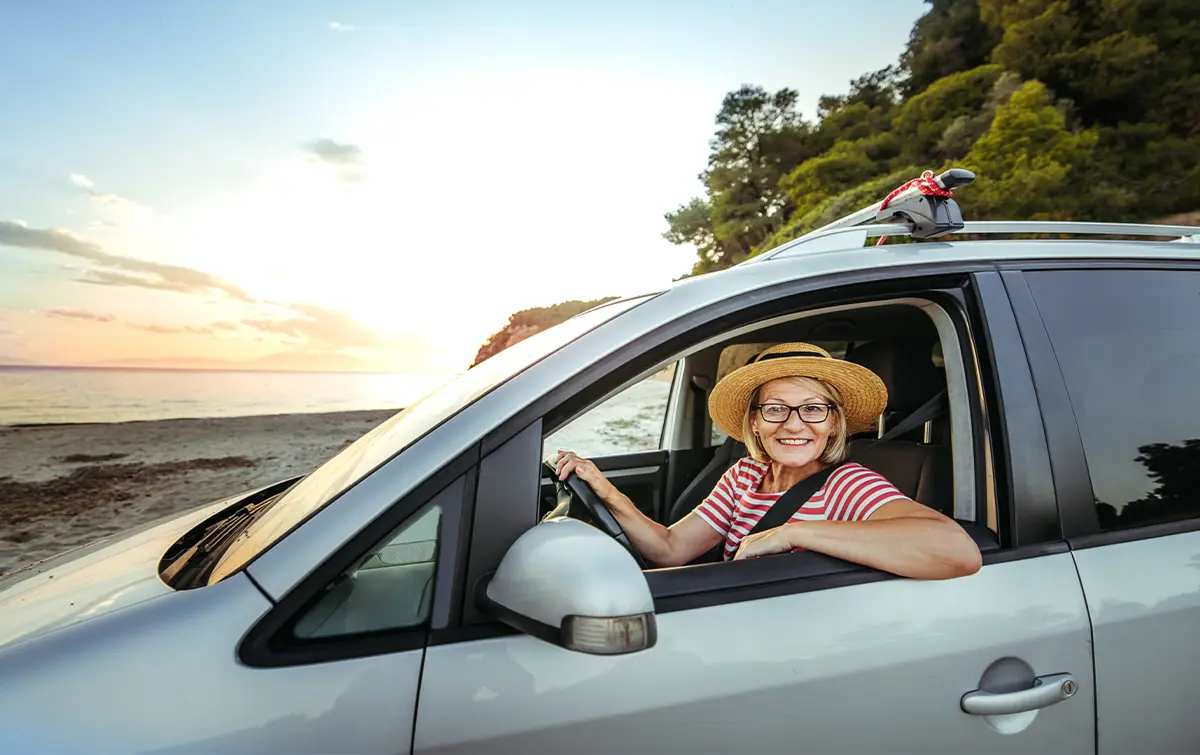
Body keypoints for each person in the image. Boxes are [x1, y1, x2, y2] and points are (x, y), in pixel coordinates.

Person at [554, 342, 982, 579]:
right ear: (754, 424)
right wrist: (607, 491)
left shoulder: (849, 485)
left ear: (834, 424)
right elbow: (669, 550)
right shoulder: (744, 475)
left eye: (813, 409)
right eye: (776, 409)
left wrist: (793, 532)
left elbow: (957, 551)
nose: (795, 425)